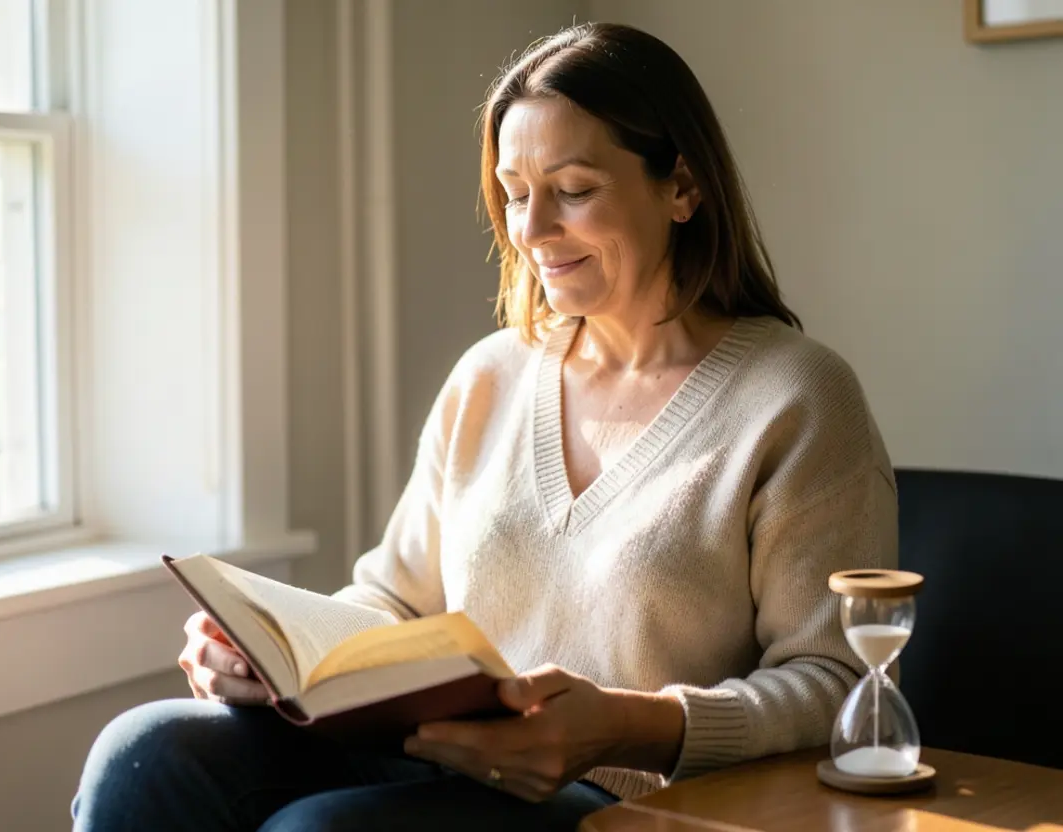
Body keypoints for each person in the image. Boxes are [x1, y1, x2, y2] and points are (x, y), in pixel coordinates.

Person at [71, 21, 896, 831]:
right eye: (514, 195)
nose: (532, 232)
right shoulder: (490, 376)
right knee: (143, 752)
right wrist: (276, 655)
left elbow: (835, 681)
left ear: (681, 187)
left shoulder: (796, 397)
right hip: (434, 760)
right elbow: (394, 602)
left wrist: (628, 724)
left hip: (633, 802)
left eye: (574, 191)